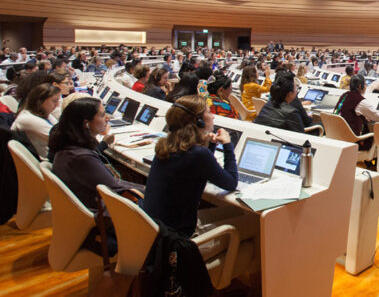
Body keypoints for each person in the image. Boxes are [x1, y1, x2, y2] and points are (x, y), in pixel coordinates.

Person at [143, 95, 258, 240]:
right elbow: (231, 182)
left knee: (239, 213)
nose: (213, 117)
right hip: (181, 240)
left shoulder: (166, 145)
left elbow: (202, 168)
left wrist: (211, 144)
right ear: (198, 121)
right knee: (256, 222)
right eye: (209, 112)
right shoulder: (197, 154)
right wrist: (228, 145)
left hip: (159, 231)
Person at [50, 97, 144, 255]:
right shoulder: (80, 157)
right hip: (99, 222)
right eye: (101, 115)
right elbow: (115, 188)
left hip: (82, 215)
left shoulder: (69, 148)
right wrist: (149, 188)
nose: (107, 118)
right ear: (86, 123)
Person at [336, 75, 379, 151]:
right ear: (361, 86)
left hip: (339, 136)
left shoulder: (345, 95)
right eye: (366, 84)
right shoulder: (360, 101)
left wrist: (364, 117)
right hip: (353, 141)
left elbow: (350, 113)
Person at [11, 84, 61, 157]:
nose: (57, 105)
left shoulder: (44, 113)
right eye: (54, 101)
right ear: (40, 101)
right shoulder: (28, 119)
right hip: (45, 161)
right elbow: (60, 140)